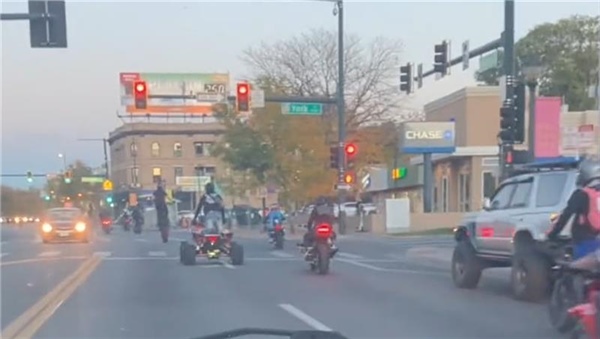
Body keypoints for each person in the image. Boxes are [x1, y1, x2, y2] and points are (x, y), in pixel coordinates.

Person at [547, 159, 600, 259]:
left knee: (578, 270)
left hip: (585, 240)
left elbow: (566, 216)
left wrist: (552, 235)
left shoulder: (581, 194)